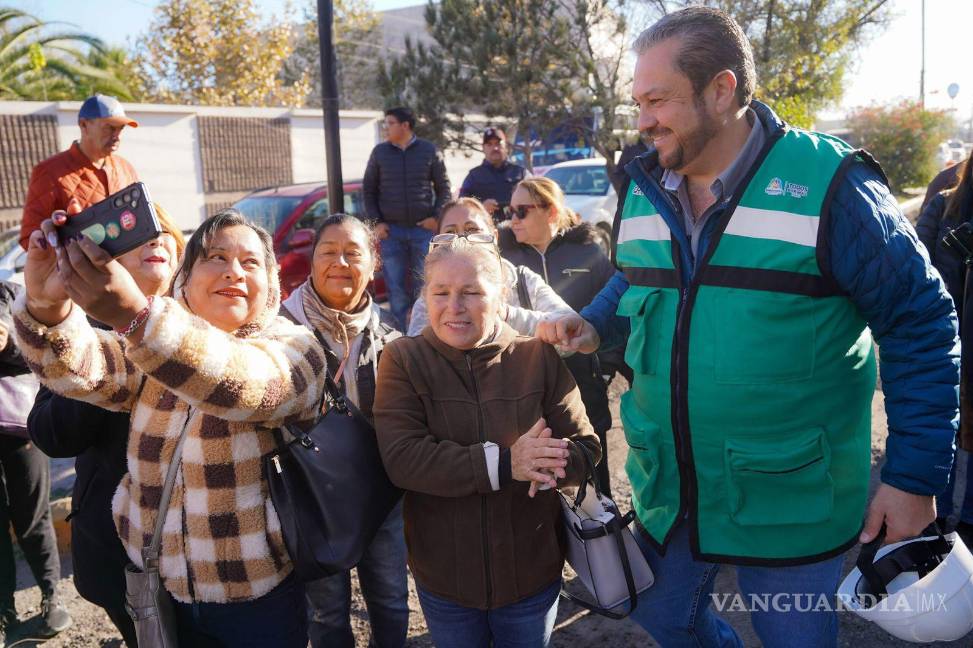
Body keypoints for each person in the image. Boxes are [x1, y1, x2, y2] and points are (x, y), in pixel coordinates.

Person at [536, 7, 959, 647]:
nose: (643, 120)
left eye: (657, 100)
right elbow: (641, 276)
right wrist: (593, 324)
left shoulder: (832, 186)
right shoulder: (647, 183)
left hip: (788, 498)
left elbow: (921, 322)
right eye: (638, 102)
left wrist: (912, 479)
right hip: (671, 486)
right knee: (656, 613)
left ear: (722, 90)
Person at [15, 209, 328, 647]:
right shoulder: (150, 352)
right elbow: (73, 368)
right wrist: (48, 306)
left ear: (272, 282)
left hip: (256, 603)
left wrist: (137, 318)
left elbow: (244, 383)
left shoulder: (297, 348)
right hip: (161, 590)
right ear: (187, 277)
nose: (234, 272)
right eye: (216, 257)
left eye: (251, 262)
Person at [373, 239, 601, 648]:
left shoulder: (537, 356)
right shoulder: (404, 359)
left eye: (472, 292)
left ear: (500, 298)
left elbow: (586, 446)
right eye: (440, 292)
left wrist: (551, 460)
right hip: (445, 579)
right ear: (426, 296)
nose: (454, 306)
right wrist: (508, 463)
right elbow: (403, 459)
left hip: (531, 574)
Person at [27, 204, 185, 648]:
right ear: (109, 257)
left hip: (207, 541)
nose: (154, 239)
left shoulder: (205, 321)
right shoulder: (78, 331)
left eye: (162, 229)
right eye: (140, 233)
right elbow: (51, 434)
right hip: (116, 547)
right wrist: (116, 344)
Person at [279, 214, 408, 648]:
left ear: (373, 265)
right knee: (327, 611)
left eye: (353, 253)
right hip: (313, 496)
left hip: (380, 491)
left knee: (391, 601)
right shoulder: (279, 331)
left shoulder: (391, 336)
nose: (340, 262)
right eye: (328, 251)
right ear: (312, 261)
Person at [500, 177, 620, 495]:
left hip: (585, 385)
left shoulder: (587, 252)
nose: (512, 219)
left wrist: (604, 366)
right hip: (527, 392)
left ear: (550, 211)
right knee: (545, 487)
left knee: (594, 483)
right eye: (508, 210)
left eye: (521, 211)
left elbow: (615, 309)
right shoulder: (505, 261)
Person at [0, 281, 71, 642]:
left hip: (17, 428)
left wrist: (7, 340)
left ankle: (51, 598)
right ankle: (5, 615)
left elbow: (41, 350)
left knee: (32, 516)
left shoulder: (13, 295)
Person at [407, 197, 574, 337]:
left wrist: (507, 315)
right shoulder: (434, 294)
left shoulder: (522, 281)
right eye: (450, 233)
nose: (461, 240)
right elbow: (415, 354)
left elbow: (571, 330)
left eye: (472, 230)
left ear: (494, 236)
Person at [916, 155, 973, 547]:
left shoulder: (942, 200)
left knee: (944, 419)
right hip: (949, 329)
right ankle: (961, 518)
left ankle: (933, 516)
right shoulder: (943, 200)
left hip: (943, 329)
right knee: (949, 419)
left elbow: (918, 267)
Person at [362, 106, 451, 330]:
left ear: (405, 126)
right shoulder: (379, 153)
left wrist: (436, 218)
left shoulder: (429, 151)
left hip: (423, 232)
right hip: (391, 233)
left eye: (390, 123)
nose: (386, 128)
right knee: (397, 291)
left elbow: (444, 188)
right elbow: (368, 190)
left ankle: (429, 335)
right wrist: (377, 223)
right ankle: (403, 341)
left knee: (428, 286)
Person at [20, 94, 139, 250]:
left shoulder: (125, 168)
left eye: (121, 128)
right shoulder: (49, 172)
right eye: (109, 127)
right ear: (84, 125)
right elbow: (30, 238)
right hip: (77, 272)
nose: (117, 136)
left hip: (125, 271)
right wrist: (63, 246)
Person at [458, 128, 527, 218]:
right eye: (489, 144)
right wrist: (481, 207)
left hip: (517, 227)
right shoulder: (473, 176)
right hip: (485, 228)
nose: (494, 148)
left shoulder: (521, 173)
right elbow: (462, 205)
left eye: (498, 143)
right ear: (483, 148)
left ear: (506, 146)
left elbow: (534, 201)